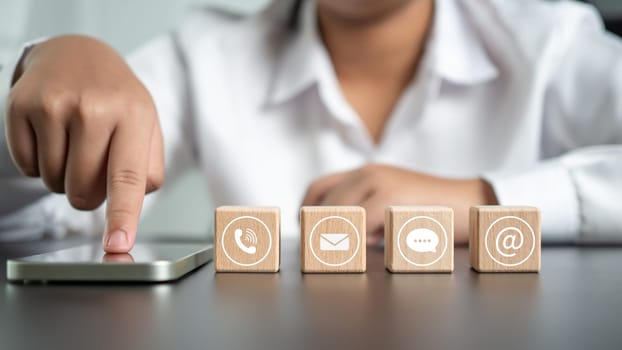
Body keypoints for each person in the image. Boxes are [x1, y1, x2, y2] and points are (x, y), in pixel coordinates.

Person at [0, 0, 620, 253]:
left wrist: (486, 200)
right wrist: (34, 76)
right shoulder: (206, 57)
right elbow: (40, 216)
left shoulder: (553, 40)